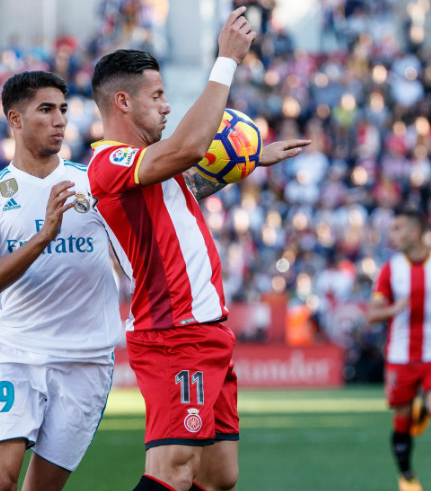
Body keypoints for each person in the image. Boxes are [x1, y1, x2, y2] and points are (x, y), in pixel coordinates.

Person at [87, 7, 310, 491]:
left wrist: (246, 159)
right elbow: (188, 151)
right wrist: (225, 60)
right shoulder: (109, 163)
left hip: (208, 328)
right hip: (172, 332)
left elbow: (186, 184)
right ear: (122, 103)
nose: (167, 106)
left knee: (219, 476)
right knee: (175, 468)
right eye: (158, 96)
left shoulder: (150, 167)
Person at [0, 71, 122, 491]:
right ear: (15, 119)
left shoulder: (95, 181)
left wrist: (238, 163)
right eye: (46, 110)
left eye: (63, 110)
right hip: (17, 352)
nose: (60, 121)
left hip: (87, 360)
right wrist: (43, 236)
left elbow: (168, 197)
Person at [368, 207, 431, 491]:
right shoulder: (390, 269)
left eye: (397, 229)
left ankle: (427, 407)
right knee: (402, 421)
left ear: (415, 232)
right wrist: (392, 310)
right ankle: (407, 476)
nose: (392, 235)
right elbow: (372, 314)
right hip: (400, 356)